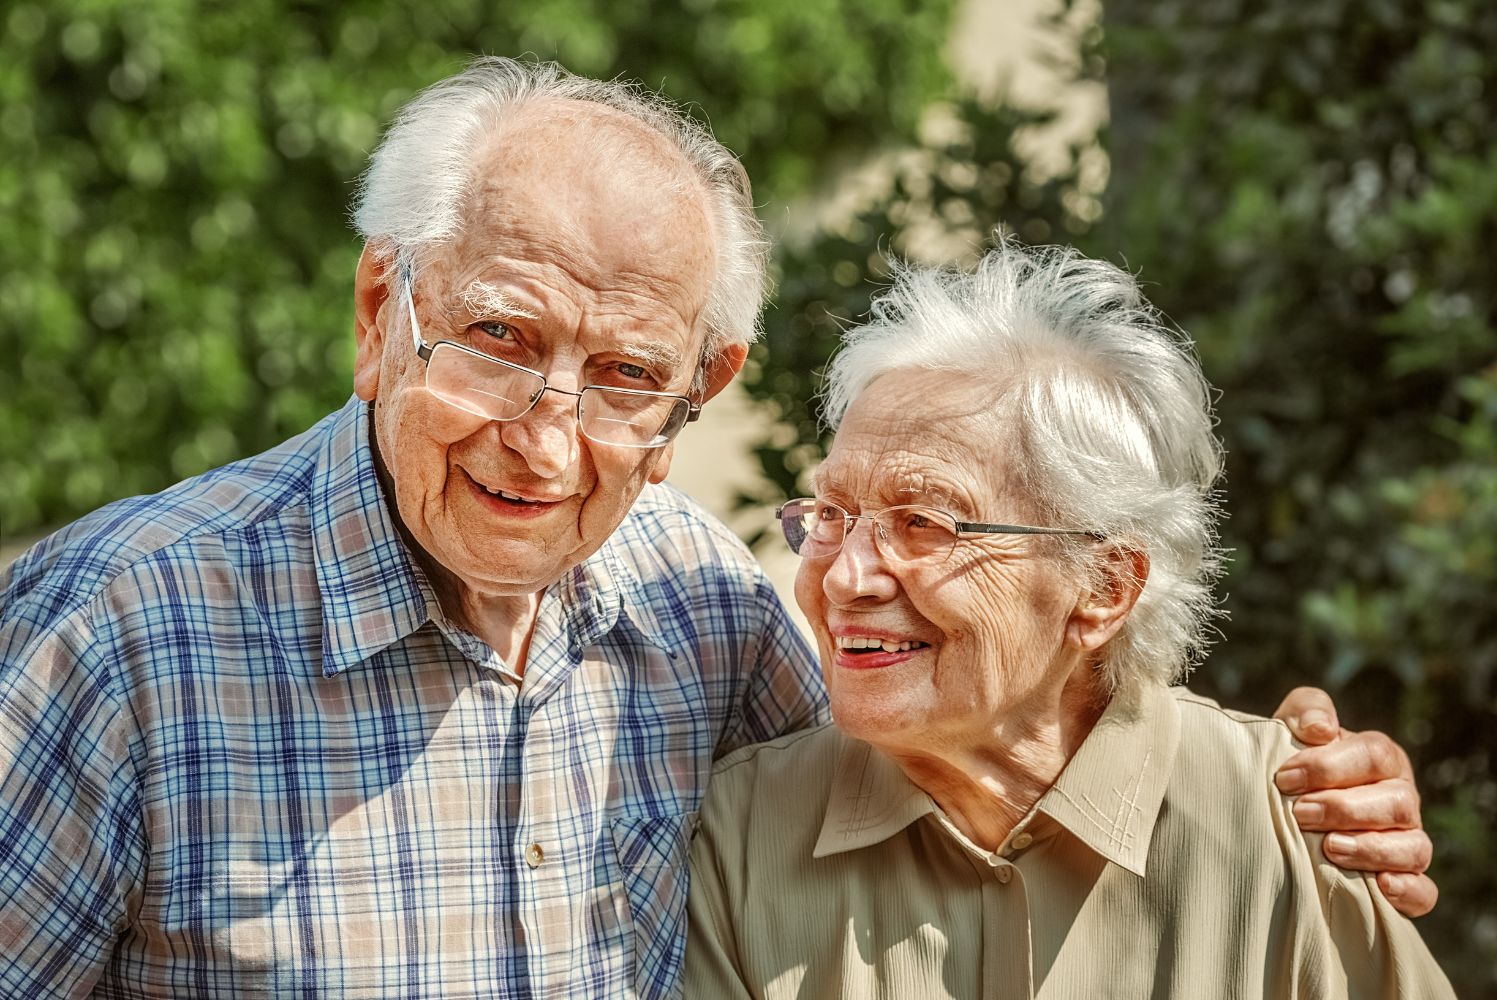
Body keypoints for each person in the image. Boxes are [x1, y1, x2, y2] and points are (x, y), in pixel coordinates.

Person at [0, 59, 1431, 997]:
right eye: (498, 337)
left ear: (704, 389)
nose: (549, 438)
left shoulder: (694, 599)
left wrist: (1295, 798)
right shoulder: (119, 633)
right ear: (385, 318)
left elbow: (960, 747)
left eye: (626, 375)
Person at [684, 242, 1453, 998]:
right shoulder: (743, 837)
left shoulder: (1287, 824)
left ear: (1104, 587)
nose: (845, 576)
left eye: (923, 523)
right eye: (831, 514)